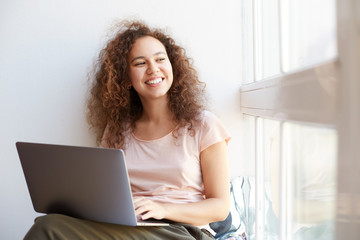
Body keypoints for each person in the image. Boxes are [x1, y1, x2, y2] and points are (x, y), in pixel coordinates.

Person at [24, 20, 231, 240]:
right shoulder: (117, 131)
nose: (153, 69)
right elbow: (105, 194)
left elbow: (220, 207)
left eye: (160, 59)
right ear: (126, 78)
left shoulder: (203, 124)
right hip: (130, 228)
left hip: (183, 231)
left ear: (173, 66)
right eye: (140, 63)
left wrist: (162, 209)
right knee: (48, 225)